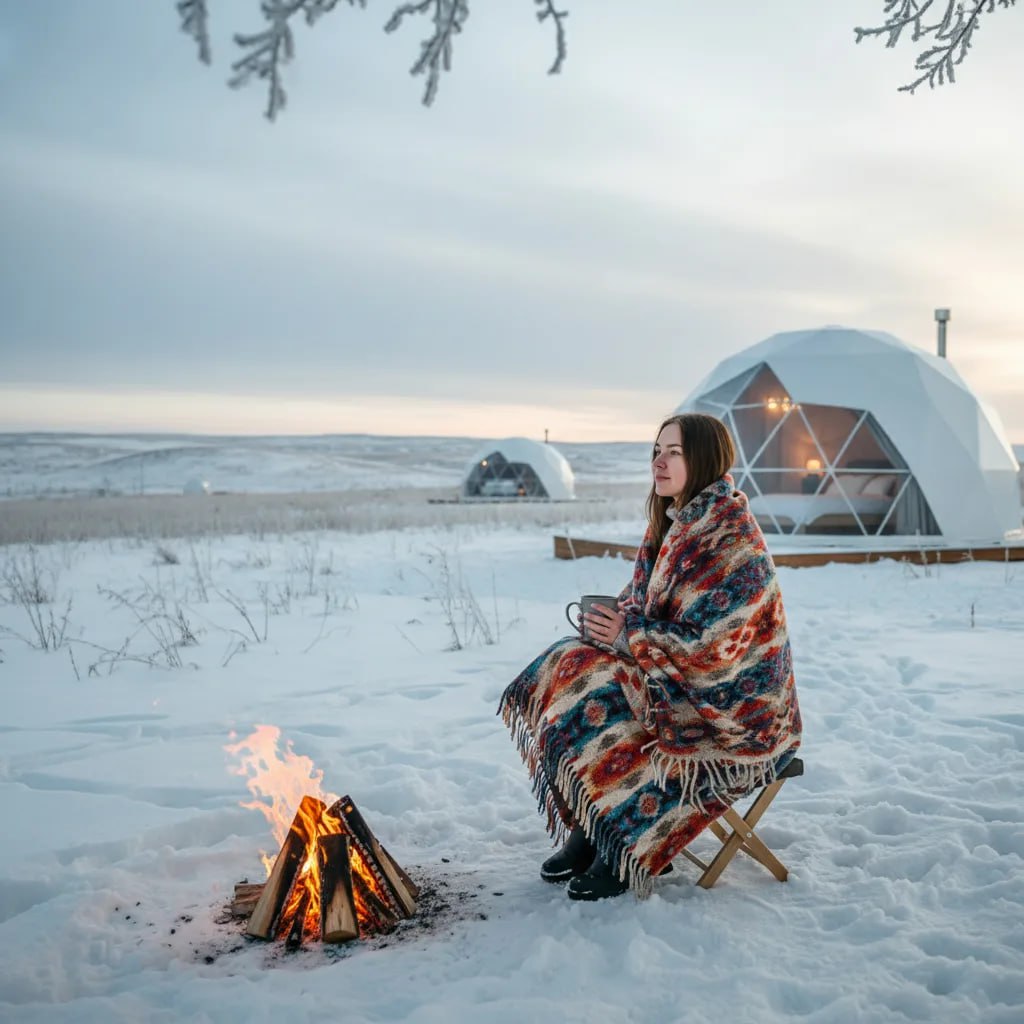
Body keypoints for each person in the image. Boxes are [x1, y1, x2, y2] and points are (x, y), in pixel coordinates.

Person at [498, 413, 802, 901]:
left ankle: (625, 844)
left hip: (737, 710)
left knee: (604, 689)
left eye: (673, 452)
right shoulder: (675, 523)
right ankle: (593, 821)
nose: (658, 462)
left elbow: (716, 650)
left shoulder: (730, 537)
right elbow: (647, 603)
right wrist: (615, 622)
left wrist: (629, 635)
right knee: (568, 661)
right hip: (683, 682)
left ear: (704, 459)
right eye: (656, 451)